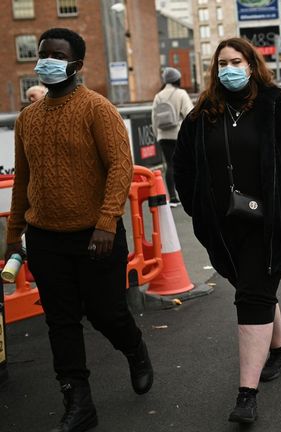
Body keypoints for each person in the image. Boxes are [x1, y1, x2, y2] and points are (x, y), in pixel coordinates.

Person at [5, 28, 153, 432]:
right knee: (61, 320)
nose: (46, 61)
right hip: (45, 238)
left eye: (56, 54)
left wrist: (107, 222)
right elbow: (23, 181)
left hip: (96, 236)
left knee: (106, 312)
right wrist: (12, 236)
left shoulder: (96, 108)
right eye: (42, 53)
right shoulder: (27, 119)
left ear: (76, 65)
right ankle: (78, 401)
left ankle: (134, 347)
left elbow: (121, 167)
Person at [173, 37, 281, 424]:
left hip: (268, 226)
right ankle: (280, 351)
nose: (229, 69)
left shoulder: (276, 107)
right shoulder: (202, 114)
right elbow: (182, 169)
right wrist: (198, 210)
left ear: (252, 65)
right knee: (252, 288)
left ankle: (246, 395)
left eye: (236, 61)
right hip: (223, 227)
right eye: (222, 63)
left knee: (252, 295)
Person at [151, 67, 193, 207]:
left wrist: (158, 135)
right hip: (179, 134)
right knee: (183, 164)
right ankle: (185, 194)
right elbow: (189, 114)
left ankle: (173, 198)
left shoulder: (158, 96)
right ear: (177, 79)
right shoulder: (181, 93)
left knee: (170, 165)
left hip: (163, 135)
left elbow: (154, 119)